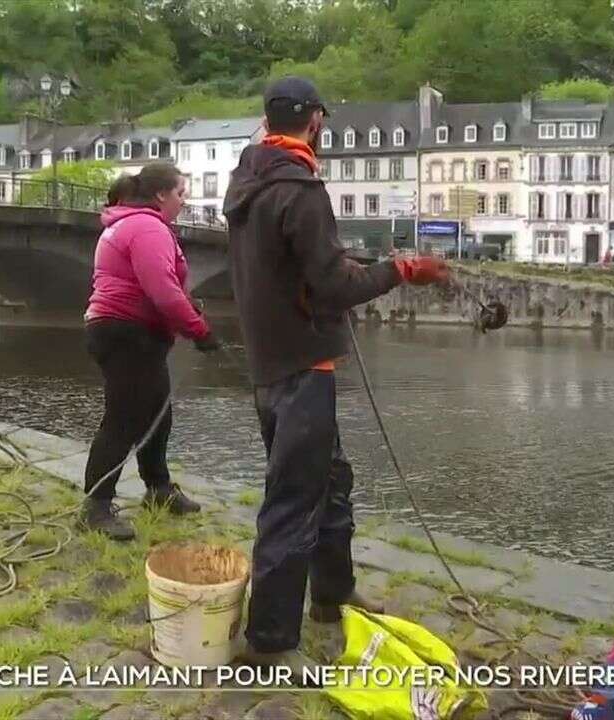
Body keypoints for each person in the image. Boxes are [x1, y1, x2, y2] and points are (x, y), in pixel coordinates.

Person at [223, 76, 451, 670]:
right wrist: (402, 269)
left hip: (272, 364)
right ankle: (270, 642)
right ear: (316, 121)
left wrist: (339, 263)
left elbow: (296, 269)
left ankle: (331, 592)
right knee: (293, 502)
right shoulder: (299, 188)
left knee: (332, 481)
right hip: (301, 368)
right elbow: (333, 287)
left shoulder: (249, 181)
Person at [81, 164, 220, 541]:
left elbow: (164, 287)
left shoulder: (133, 224)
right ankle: (95, 506)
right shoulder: (146, 227)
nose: (184, 199)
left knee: (157, 413)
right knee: (123, 419)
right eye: (180, 193)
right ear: (161, 195)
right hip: (126, 332)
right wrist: (199, 331)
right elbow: (162, 289)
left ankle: (158, 489)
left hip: (129, 332)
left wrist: (188, 315)